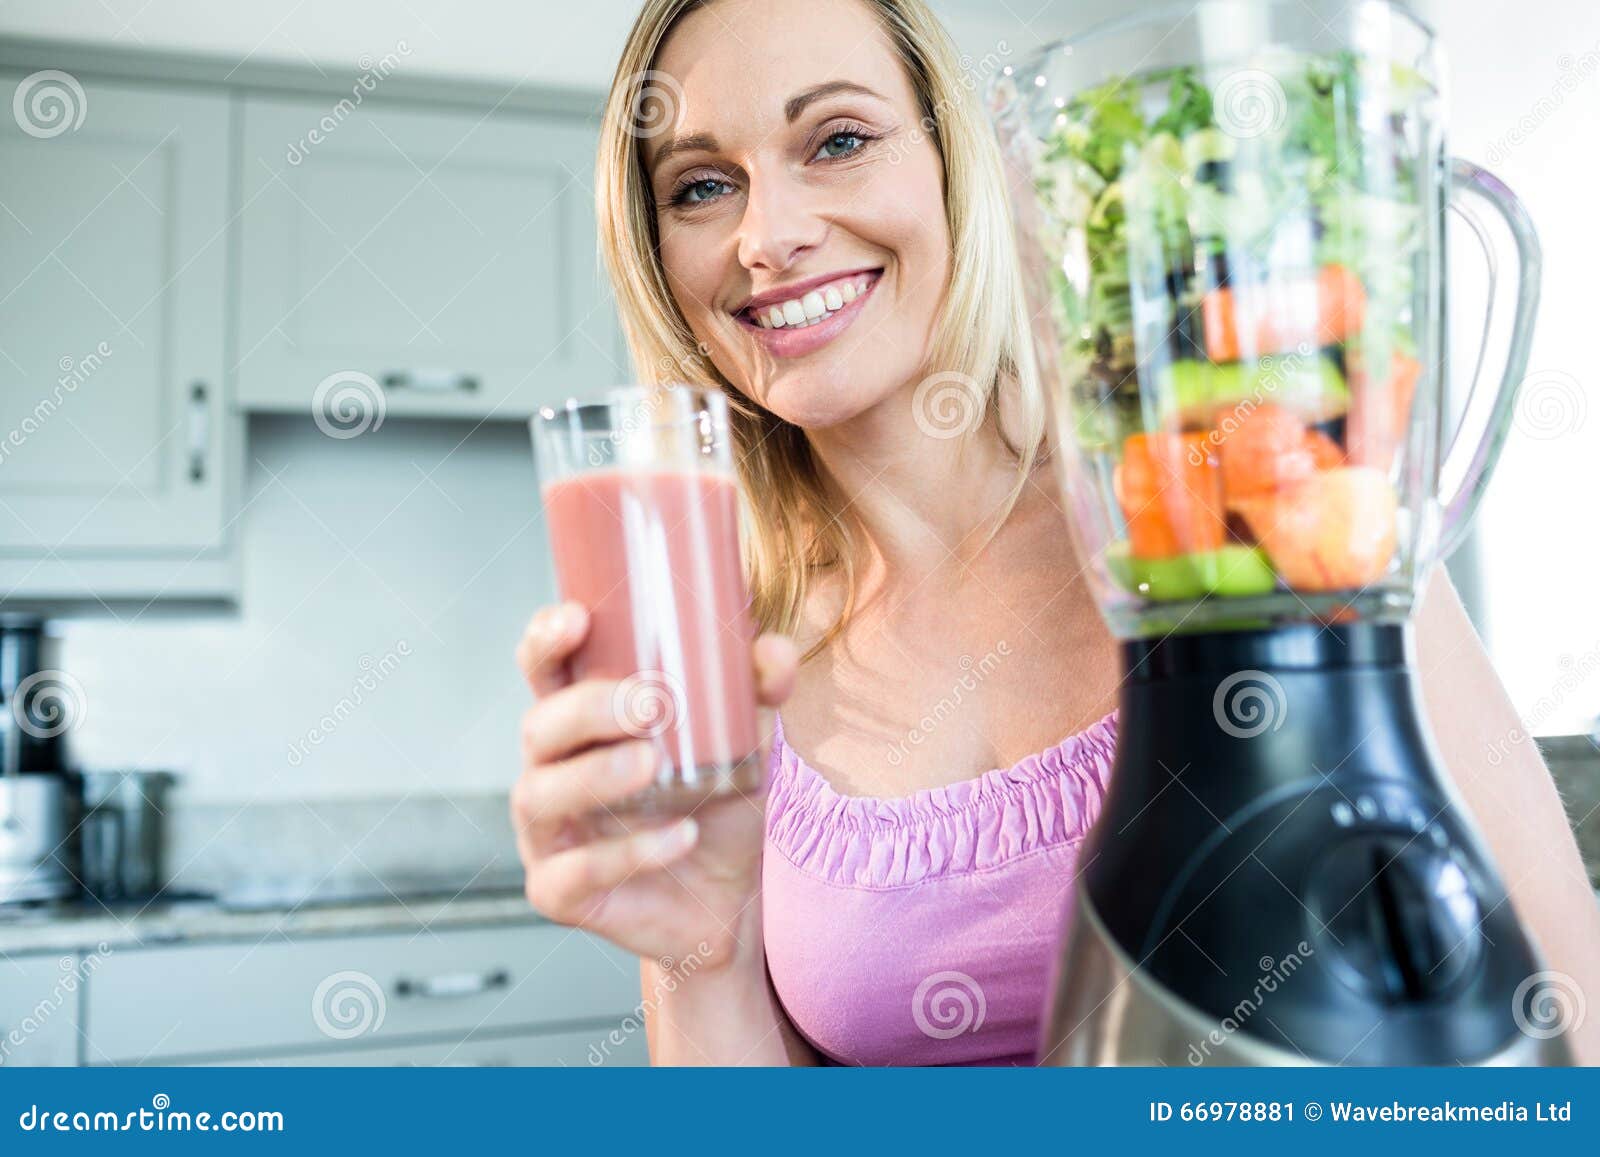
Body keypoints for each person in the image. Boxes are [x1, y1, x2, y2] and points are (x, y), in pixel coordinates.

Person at [512, 0, 1600, 1065]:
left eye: (838, 140)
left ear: (956, 165)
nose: (768, 235)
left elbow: (1570, 1014)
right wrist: (698, 952)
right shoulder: (735, 669)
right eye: (702, 186)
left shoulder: (1233, 509)